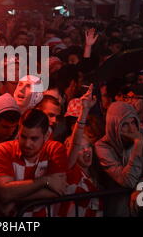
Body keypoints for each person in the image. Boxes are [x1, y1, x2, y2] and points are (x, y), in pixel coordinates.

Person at [0, 109, 68, 217]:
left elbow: (59, 189)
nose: (27, 144)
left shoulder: (55, 149)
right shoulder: (3, 150)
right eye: (23, 137)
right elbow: (4, 193)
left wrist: (14, 199)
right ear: (18, 131)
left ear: (46, 136)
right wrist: (45, 181)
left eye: (34, 138)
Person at [95, 101, 143, 217]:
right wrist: (138, 145)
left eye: (133, 122)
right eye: (124, 124)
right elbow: (129, 181)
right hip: (117, 208)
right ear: (114, 126)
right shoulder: (102, 146)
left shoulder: (142, 133)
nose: (132, 129)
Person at [61, 85, 103, 217]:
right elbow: (74, 143)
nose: (86, 151)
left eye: (88, 146)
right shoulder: (71, 171)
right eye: (81, 148)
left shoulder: (95, 173)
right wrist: (84, 111)